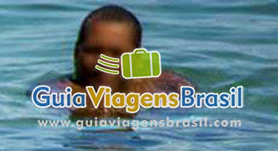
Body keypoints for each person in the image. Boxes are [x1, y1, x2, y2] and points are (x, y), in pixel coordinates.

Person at [43, 5, 193, 115]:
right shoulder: (60, 93)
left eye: (117, 54)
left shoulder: (163, 84)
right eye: (93, 51)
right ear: (76, 53)